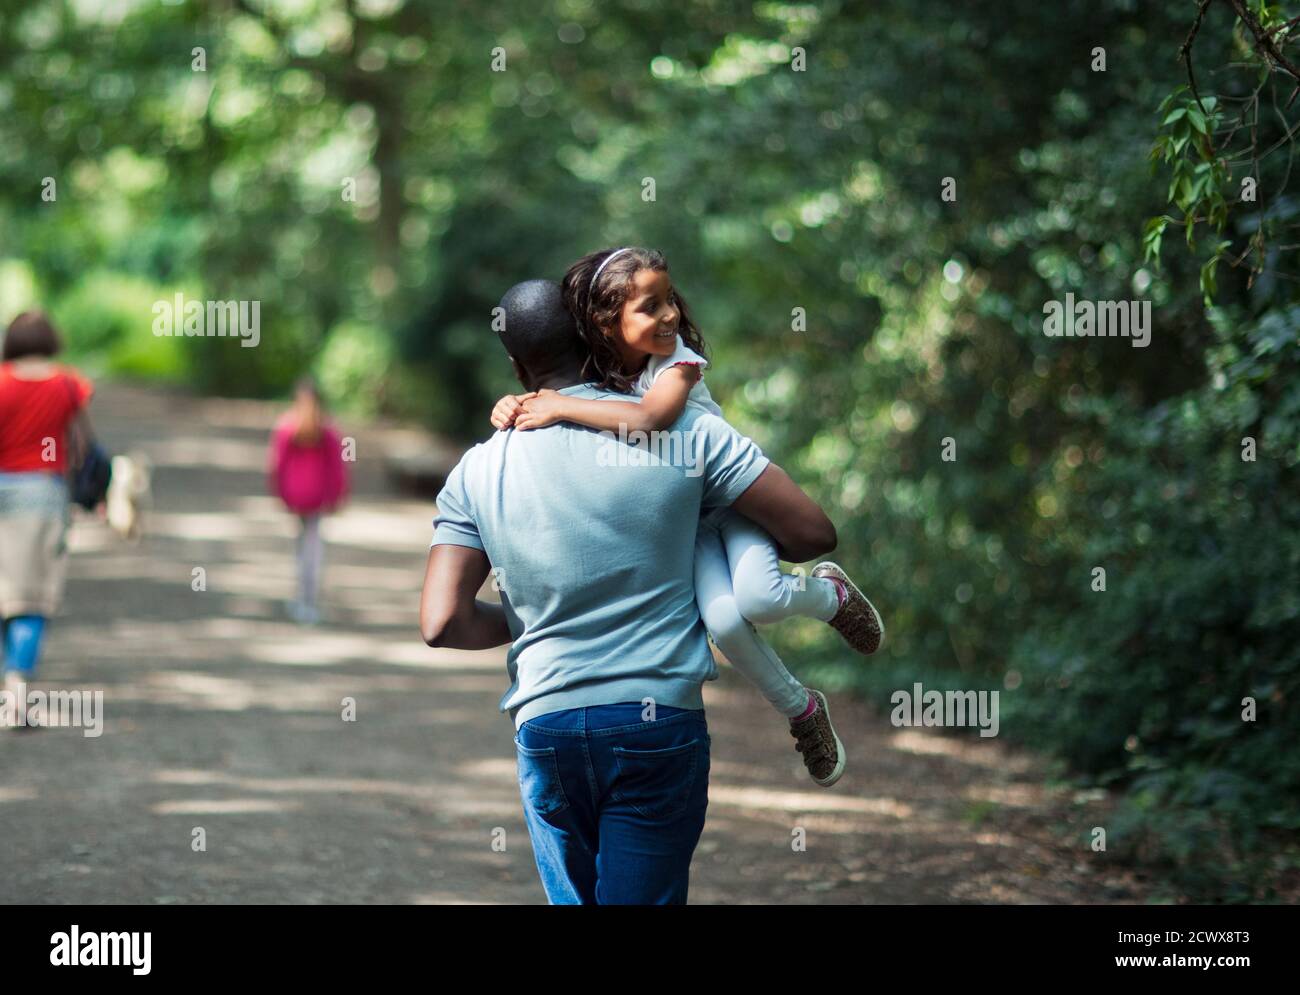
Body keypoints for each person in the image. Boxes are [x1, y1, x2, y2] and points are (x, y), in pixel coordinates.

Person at [420, 279, 843, 905]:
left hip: (549, 723)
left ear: (517, 366)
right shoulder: (687, 433)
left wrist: (549, 611)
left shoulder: (477, 469)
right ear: (601, 332)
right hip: (657, 721)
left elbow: (442, 623)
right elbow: (812, 533)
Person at [488, 247, 884, 787]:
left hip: (731, 502)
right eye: (650, 307)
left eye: (669, 299)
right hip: (688, 524)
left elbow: (651, 418)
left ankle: (830, 595)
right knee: (723, 622)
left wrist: (558, 407)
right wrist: (514, 404)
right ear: (606, 324)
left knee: (761, 598)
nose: (670, 315)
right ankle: (801, 710)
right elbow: (558, 392)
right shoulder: (601, 380)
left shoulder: (678, 361)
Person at [0, 311, 94, 728]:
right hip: (43, 493)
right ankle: (17, 692)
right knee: (32, 599)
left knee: (4, 595)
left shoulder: (1, 381)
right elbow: (81, 442)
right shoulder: (67, 383)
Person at [267, 377, 349, 625]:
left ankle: (302, 598)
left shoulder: (285, 428)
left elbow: (276, 466)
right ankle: (308, 600)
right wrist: (337, 496)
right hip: (317, 495)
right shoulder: (329, 431)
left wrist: (280, 493)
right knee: (312, 546)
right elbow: (338, 468)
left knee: (303, 544)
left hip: (296, 494)